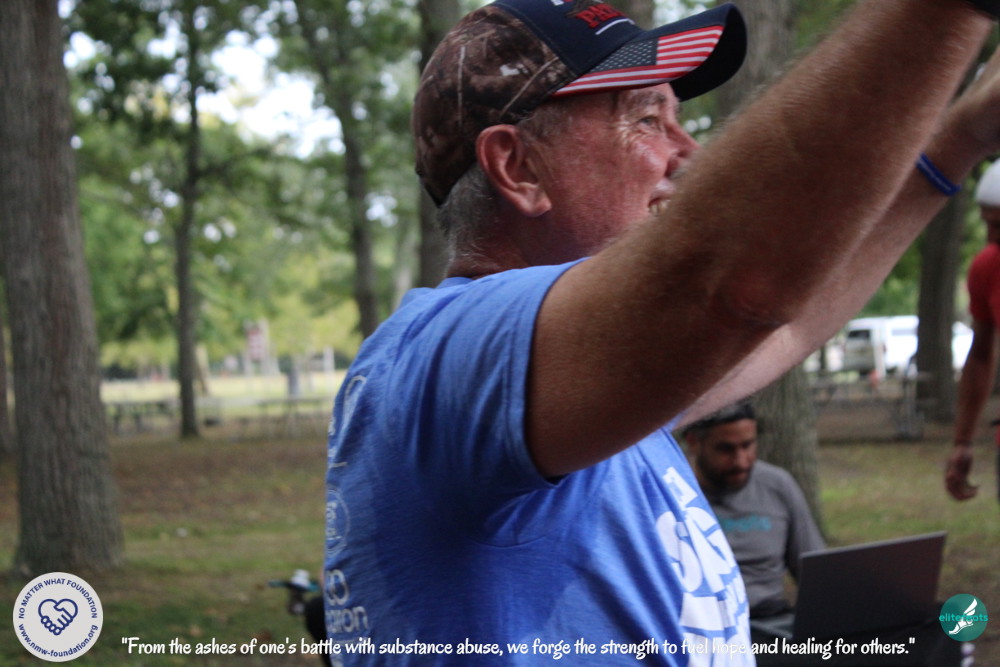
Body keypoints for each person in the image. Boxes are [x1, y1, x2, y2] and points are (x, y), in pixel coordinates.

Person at [323, 0, 1000, 663]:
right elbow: (735, 284)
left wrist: (962, 137)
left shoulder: (585, 387)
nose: (690, 153)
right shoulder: (443, 357)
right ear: (518, 167)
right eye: (647, 119)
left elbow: (785, 320)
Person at [682, 402, 824, 620]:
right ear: (694, 443)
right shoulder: (676, 495)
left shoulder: (778, 485)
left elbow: (815, 572)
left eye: (747, 446)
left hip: (770, 617)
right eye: (725, 449)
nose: (740, 461)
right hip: (704, 624)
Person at [947, 158, 1000, 503]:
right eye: (987, 224)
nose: (992, 237)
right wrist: (963, 440)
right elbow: (981, 354)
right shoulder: (987, 267)